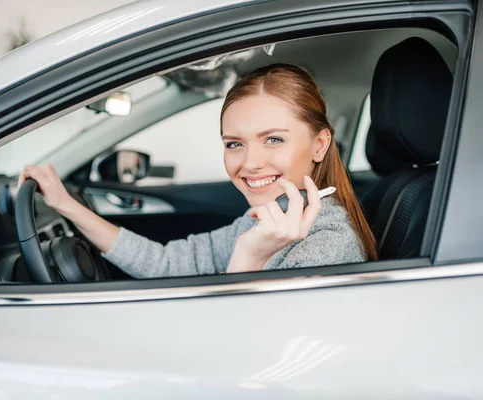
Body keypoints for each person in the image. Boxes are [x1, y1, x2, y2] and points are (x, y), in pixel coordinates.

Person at [19, 64, 378, 278]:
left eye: (273, 140)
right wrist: (67, 205)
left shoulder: (327, 246)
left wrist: (248, 259)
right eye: (234, 143)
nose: (249, 162)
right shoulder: (269, 217)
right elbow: (164, 263)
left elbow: (247, 363)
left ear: (319, 145)